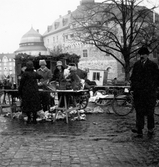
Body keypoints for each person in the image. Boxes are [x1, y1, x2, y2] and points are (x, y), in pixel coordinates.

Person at [130, 46, 159, 138]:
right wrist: (132, 89)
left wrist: (154, 89)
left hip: (149, 93)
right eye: (141, 54)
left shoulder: (153, 65)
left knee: (150, 112)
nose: (142, 56)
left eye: (144, 54)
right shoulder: (136, 65)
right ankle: (139, 130)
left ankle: (150, 129)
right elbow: (133, 78)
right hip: (139, 93)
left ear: (147, 55)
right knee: (139, 112)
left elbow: (157, 79)